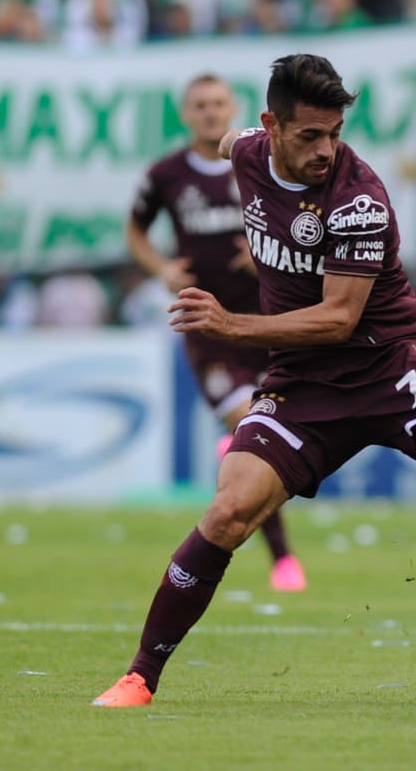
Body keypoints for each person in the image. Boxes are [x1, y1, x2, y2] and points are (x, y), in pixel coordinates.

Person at [92, 54, 416, 708]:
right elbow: (226, 143)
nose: (326, 149)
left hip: (387, 363)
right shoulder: (248, 150)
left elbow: (340, 318)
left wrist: (232, 324)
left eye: (336, 133)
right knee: (229, 510)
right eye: (310, 135)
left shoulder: (358, 199)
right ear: (272, 126)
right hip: (303, 383)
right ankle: (139, 677)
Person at [126, 72, 307, 593]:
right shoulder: (166, 174)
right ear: (187, 114)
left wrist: (265, 250)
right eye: (199, 105)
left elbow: (301, 219)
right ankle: (283, 559)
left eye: (218, 104)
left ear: (233, 110)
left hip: (269, 320)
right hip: (206, 329)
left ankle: (265, 534)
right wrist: (160, 268)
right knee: (254, 428)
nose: (209, 112)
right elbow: (135, 229)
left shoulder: (259, 163)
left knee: (267, 439)